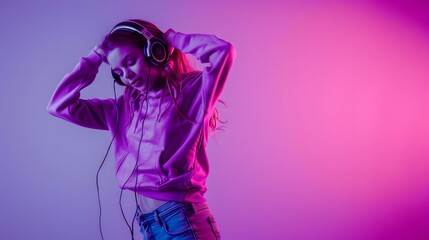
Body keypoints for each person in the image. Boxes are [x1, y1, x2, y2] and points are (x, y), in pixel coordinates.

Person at [46, 19, 236, 240]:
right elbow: (59, 105)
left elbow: (222, 52)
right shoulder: (121, 109)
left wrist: (169, 39)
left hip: (183, 222)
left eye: (131, 61)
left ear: (154, 53)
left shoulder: (191, 92)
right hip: (148, 225)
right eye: (118, 71)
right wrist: (94, 58)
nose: (127, 75)